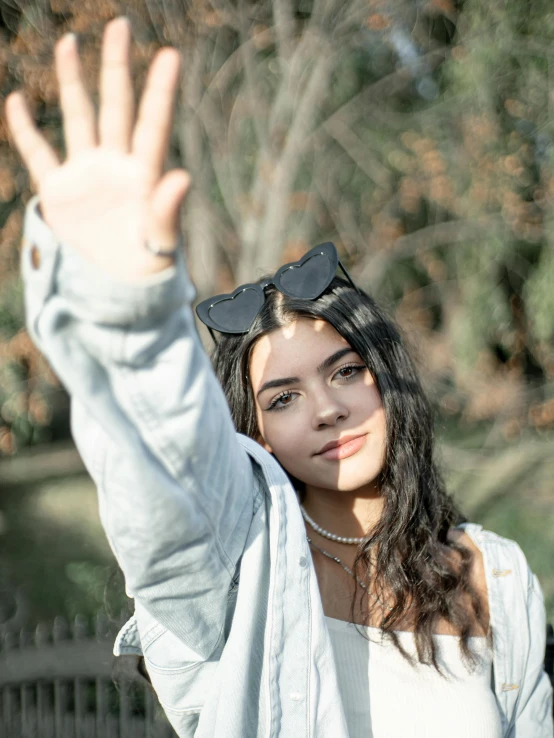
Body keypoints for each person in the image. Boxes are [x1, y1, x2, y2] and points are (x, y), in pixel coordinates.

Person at [6, 16, 553, 738]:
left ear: (385, 377)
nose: (327, 409)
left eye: (347, 371)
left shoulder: (499, 576)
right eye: (284, 397)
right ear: (253, 427)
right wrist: (128, 316)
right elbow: (163, 475)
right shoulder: (230, 564)